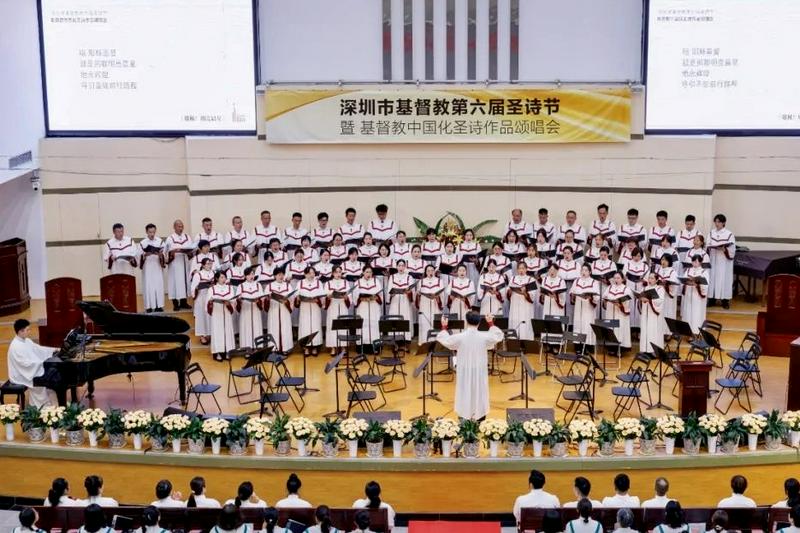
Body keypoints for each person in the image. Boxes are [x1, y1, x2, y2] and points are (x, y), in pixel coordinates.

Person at [436, 312, 503, 420]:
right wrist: (490, 323)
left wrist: (444, 326)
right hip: (479, 370)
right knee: (479, 391)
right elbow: (498, 336)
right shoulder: (484, 337)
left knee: (464, 391)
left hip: (465, 370)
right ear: (479, 322)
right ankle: (480, 417)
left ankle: (464, 417)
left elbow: (445, 340)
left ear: (466, 321)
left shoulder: (460, 337)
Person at [7, 319, 57, 407]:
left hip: (29, 369)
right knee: (39, 381)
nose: (29, 332)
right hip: (21, 373)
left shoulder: (26, 340)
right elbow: (24, 364)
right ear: (20, 331)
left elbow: (38, 349)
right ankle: (42, 407)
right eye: (27, 330)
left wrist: (54, 350)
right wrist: (41, 363)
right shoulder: (16, 346)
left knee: (46, 375)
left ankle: (46, 403)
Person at [207, 271, 237, 362]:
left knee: (228, 331)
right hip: (217, 313)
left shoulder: (230, 288)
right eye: (221, 277)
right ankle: (218, 352)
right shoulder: (212, 289)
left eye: (224, 277)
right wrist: (211, 302)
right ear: (217, 278)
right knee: (217, 332)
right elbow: (207, 302)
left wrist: (229, 303)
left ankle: (228, 351)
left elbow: (234, 300)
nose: (223, 279)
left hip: (226, 312)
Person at [136, 223, 166, 313]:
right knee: (148, 287)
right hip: (147, 268)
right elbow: (138, 256)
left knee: (158, 286)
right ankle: (149, 306)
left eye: (153, 232)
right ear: (146, 232)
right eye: (150, 232)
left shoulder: (160, 241)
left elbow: (164, 254)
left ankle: (158, 306)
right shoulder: (142, 243)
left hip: (157, 267)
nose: (152, 234)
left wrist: (161, 255)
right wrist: (145, 254)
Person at [165, 220, 194, 311]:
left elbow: (191, 248)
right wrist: (173, 252)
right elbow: (165, 252)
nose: (180, 228)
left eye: (182, 226)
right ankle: (175, 303)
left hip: (184, 262)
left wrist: (189, 251)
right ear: (174, 227)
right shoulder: (170, 238)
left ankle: (183, 302)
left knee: (184, 282)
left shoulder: (187, 237)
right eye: (178, 226)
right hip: (175, 264)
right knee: (175, 282)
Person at [708, 213, 736, 308]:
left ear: (723, 223)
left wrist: (725, 249)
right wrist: (709, 247)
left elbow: (732, 248)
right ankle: (712, 299)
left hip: (724, 260)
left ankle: (725, 300)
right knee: (713, 278)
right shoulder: (712, 233)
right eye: (715, 221)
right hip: (713, 258)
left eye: (719, 222)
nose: (717, 224)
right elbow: (707, 245)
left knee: (724, 279)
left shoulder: (729, 234)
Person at [296, 267, 325, 355]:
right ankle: (306, 348)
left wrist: (318, 300)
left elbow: (322, 295)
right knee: (305, 327)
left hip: (315, 307)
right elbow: (297, 295)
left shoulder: (318, 283)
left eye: (313, 273)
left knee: (315, 325)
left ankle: (315, 347)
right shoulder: (300, 283)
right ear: (305, 274)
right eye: (309, 273)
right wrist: (299, 298)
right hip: (304, 308)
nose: (312, 275)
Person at [571, 264, 600, 348]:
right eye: (582, 270)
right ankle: (577, 346)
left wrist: (590, 297)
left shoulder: (594, 282)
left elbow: (597, 296)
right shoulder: (576, 281)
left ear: (590, 272)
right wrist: (573, 295)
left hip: (588, 307)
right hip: (578, 306)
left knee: (587, 324)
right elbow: (572, 292)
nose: (584, 272)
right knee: (578, 324)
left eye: (586, 270)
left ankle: (588, 346)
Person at [237, 266, 265, 349]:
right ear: (245, 276)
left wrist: (258, 301)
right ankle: (247, 349)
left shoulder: (258, 285)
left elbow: (262, 297)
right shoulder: (241, 286)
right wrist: (240, 300)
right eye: (249, 275)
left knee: (257, 328)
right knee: (246, 329)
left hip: (256, 310)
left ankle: (258, 348)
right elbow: (237, 299)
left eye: (252, 274)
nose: (251, 276)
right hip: (246, 310)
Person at [267, 268, 294, 354]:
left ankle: (286, 348)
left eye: (282, 274)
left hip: (284, 309)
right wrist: (269, 298)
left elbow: (292, 298)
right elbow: (265, 299)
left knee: (285, 328)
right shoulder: (270, 286)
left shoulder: (288, 286)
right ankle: (274, 348)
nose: (281, 276)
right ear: (274, 276)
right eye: (279, 275)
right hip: (273, 310)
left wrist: (287, 301)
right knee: (273, 328)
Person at [325, 266, 352, 354]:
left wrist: (346, 297)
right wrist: (328, 296)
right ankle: (333, 347)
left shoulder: (346, 282)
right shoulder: (328, 283)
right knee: (332, 325)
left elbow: (349, 295)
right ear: (332, 273)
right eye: (336, 272)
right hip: (333, 305)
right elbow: (325, 295)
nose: (338, 274)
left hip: (343, 305)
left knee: (343, 325)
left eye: (340, 272)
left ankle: (343, 346)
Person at [386, 260, 415, 341]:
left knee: (405, 317)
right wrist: (391, 294)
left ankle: (406, 338)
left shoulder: (409, 277)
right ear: (396, 267)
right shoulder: (392, 277)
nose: (401, 267)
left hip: (405, 300)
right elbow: (389, 290)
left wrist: (408, 292)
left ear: (405, 267)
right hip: (395, 300)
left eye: (403, 266)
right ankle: (394, 338)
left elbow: (412, 290)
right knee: (394, 317)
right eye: (399, 265)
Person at [354, 266, 383, 347]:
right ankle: (362, 346)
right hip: (363, 306)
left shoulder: (376, 281)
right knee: (363, 324)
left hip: (374, 305)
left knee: (374, 324)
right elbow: (355, 296)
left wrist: (376, 297)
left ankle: (375, 345)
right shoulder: (358, 282)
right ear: (363, 272)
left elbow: (380, 294)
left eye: (370, 272)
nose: (368, 274)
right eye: (366, 272)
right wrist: (361, 298)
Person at [603, 272, 632, 349]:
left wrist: (620, 305)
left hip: (620, 313)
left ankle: (620, 348)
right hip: (610, 311)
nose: (616, 280)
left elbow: (627, 302)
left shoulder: (626, 289)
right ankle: (611, 347)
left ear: (622, 279)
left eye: (618, 278)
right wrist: (605, 300)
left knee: (620, 329)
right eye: (615, 278)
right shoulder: (609, 287)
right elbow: (604, 297)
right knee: (610, 328)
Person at [507, 262, 536, 340]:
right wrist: (509, 291)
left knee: (525, 321)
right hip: (515, 305)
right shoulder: (513, 278)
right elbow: (508, 291)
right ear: (517, 270)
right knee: (515, 321)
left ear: (526, 269)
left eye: (523, 268)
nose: (521, 270)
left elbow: (533, 295)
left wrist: (525, 293)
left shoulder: (531, 279)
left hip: (525, 306)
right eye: (519, 268)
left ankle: (525, 340)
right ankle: (513, 341)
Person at [681, 255, 709, 334]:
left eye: (696, 261)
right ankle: (688, 331)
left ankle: (696, 332)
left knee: (696, 313)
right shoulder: (688, 270)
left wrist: (698, 285)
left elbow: (705, 285)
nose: (694, 263)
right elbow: (683, 280)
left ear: (700, 262)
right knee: (688, 312)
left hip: (697, 296)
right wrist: (686, 282)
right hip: (689, 294)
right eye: (693, 261)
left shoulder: (704, 272)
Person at [417, 264, 445, 343]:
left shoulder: (439, 281)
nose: (430, 272)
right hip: (424, 304)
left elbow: (442, 294)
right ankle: (424, 341)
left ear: (434, 271)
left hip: (435, 304)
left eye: (432, 270)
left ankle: (436, 342)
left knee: (435, 321)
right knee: (424, 322)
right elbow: (418, 294)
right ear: (425, 272)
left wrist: (437, 297)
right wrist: (418, 294)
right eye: (428, 271)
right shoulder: (421, 281)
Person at [639, 272, 665, 354]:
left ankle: (654, 351)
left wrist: (649, 300)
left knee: (653, 330)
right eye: (649, 278)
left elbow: (660, 301)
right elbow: (640, 297)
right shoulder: (644, 288)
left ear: (657, 280)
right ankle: (644, 349)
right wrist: (640, 299)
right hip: (645, 313)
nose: (650, 280)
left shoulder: (660, 289)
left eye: (652, 278)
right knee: (645, 330)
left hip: (653, 314)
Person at [622, 247, 649, 328]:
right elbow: (624, 275)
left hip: (640, 287)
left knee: (639, 307)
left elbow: (647, 278)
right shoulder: (628, 264)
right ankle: (629, 327)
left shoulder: (645, 266)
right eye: (635, 256)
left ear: (641, 256)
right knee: (629, 305)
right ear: (632, 255)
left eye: (638, 256)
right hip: (630, 286)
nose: (637, 258)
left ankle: (638, 327)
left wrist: (643, 280)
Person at [191, 258, 215, 345]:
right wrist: (198, 288)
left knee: (210, 316)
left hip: (211, 296)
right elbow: (193, 288)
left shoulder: (214, 273)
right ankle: (202, 335)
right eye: (208, 264)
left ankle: (210, 334)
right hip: (201, 297)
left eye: (210, 263)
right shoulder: (198, 274)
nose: (209, 265)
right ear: (203, 265)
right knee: (201, 316)